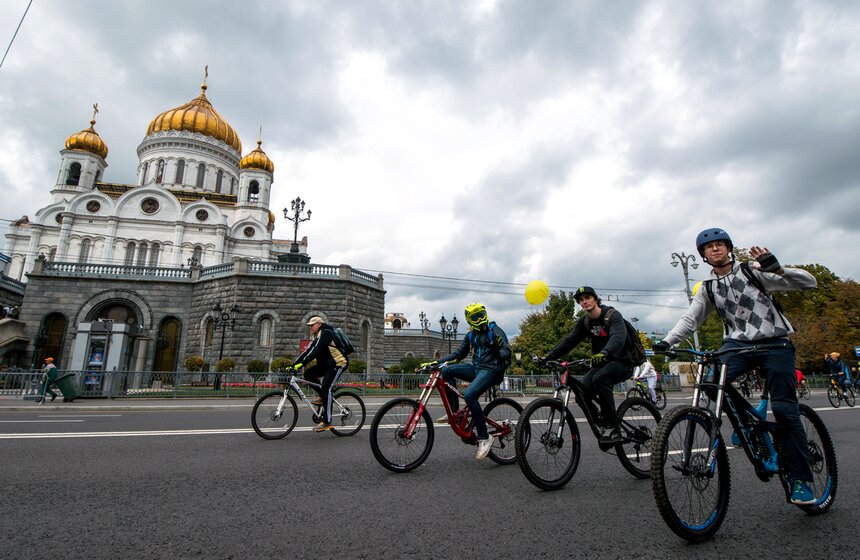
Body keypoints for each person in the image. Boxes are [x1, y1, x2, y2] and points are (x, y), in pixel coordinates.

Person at [653, 227, 819, 506]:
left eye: (720, 244)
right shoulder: (708, 288)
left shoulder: (754, 271)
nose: (715, 249)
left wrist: (778, 270)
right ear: (703, 255)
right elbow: (690, 319)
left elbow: (809, 282)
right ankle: (745, 425)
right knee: (710, 380)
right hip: (737, 345)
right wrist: (666, 341)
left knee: (785, 410)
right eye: (709, 247)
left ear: (729, 248)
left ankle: (800, 480)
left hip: (774, 343)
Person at [541, 286, 637, 444]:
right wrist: (549, 357)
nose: (584, 302)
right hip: (601, 364)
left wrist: (605, 353)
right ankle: (601, 422)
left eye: (587, 298)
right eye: (581, 300)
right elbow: (570, 341)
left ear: (595, 299)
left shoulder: (612, 316)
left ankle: (614, 428)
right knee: (581, 391)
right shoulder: (585, 322)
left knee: (600, 378)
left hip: (622, 362)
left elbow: (618, 339)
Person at [423, 303, 511, 461]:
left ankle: (484, 438)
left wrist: (498, 349)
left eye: (481, 314)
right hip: (477, 369)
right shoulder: (471, 334)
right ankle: (455, 412)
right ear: (470, 320)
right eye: (475, 317)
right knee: (446, 371)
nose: (480, 319)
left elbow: (507, 353)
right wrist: (437, 363)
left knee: (470, 395)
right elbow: (458, 354)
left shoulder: (494, 330)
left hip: (492, 370)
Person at [293, 316, 349, 432]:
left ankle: (327, 421)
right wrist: (294, 364)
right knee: (308, 374)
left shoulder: (326, 333)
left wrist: (302, 364)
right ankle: (323, 397)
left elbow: (316, 351)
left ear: (319, 324)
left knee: (326, 388)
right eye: (309, 326)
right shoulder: (318, 336)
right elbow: (308, 351)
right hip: (327, 365)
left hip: (338, 364)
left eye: (312, 325)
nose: (310, 328)